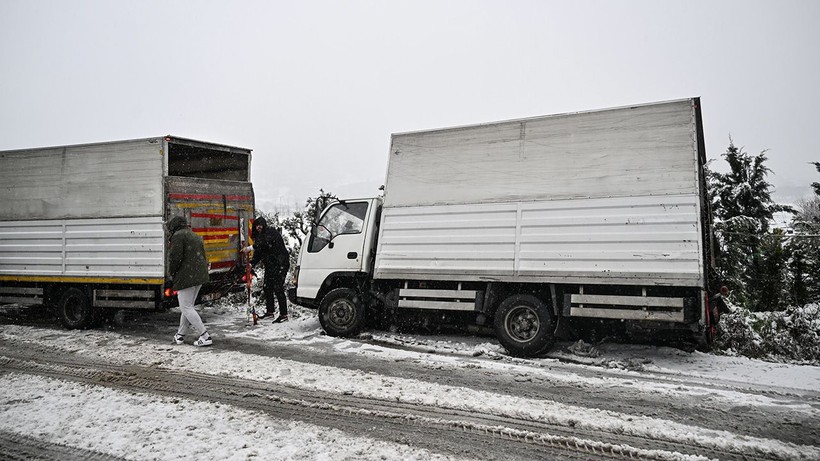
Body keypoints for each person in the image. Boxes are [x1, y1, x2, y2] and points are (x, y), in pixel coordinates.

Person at [166, 215, 213, 346]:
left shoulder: (178, 237)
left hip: (186, 277)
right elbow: (202, 255)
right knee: (187, 307)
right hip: (198, 276)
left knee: (186, 307)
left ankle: (205, 336)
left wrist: (172, 273)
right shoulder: (194, 235)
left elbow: (175, 258)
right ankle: (180, 335)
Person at [243, 216, 290, 323]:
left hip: (281, 263)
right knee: (267, 287)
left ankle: (284, 315)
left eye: (261, 225)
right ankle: (270, 312)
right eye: (257, 226)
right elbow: (259, 253)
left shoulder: (271, 232)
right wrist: (251, 264)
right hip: (270, 265)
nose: (259, 228)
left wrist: (250, 248)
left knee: (278, 287)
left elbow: (265, 243)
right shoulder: (259, 237)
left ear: (264, 225)